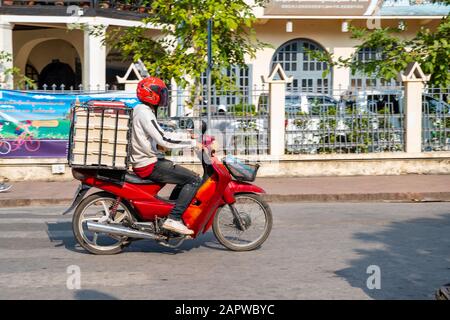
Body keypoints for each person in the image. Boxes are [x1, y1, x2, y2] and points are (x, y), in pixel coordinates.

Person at [130, 77, 202, 236]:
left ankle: (171, 214)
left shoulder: (143, 110)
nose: (163, 96)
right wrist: (191, 143)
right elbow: (165, 139)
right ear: (150, 94)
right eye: (160, 92)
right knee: (194, 179)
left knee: (183, 176)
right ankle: (174, 218)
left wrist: (185, 135)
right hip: (148, 164)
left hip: (148, 160)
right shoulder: (144, 112)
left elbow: (159, 135)